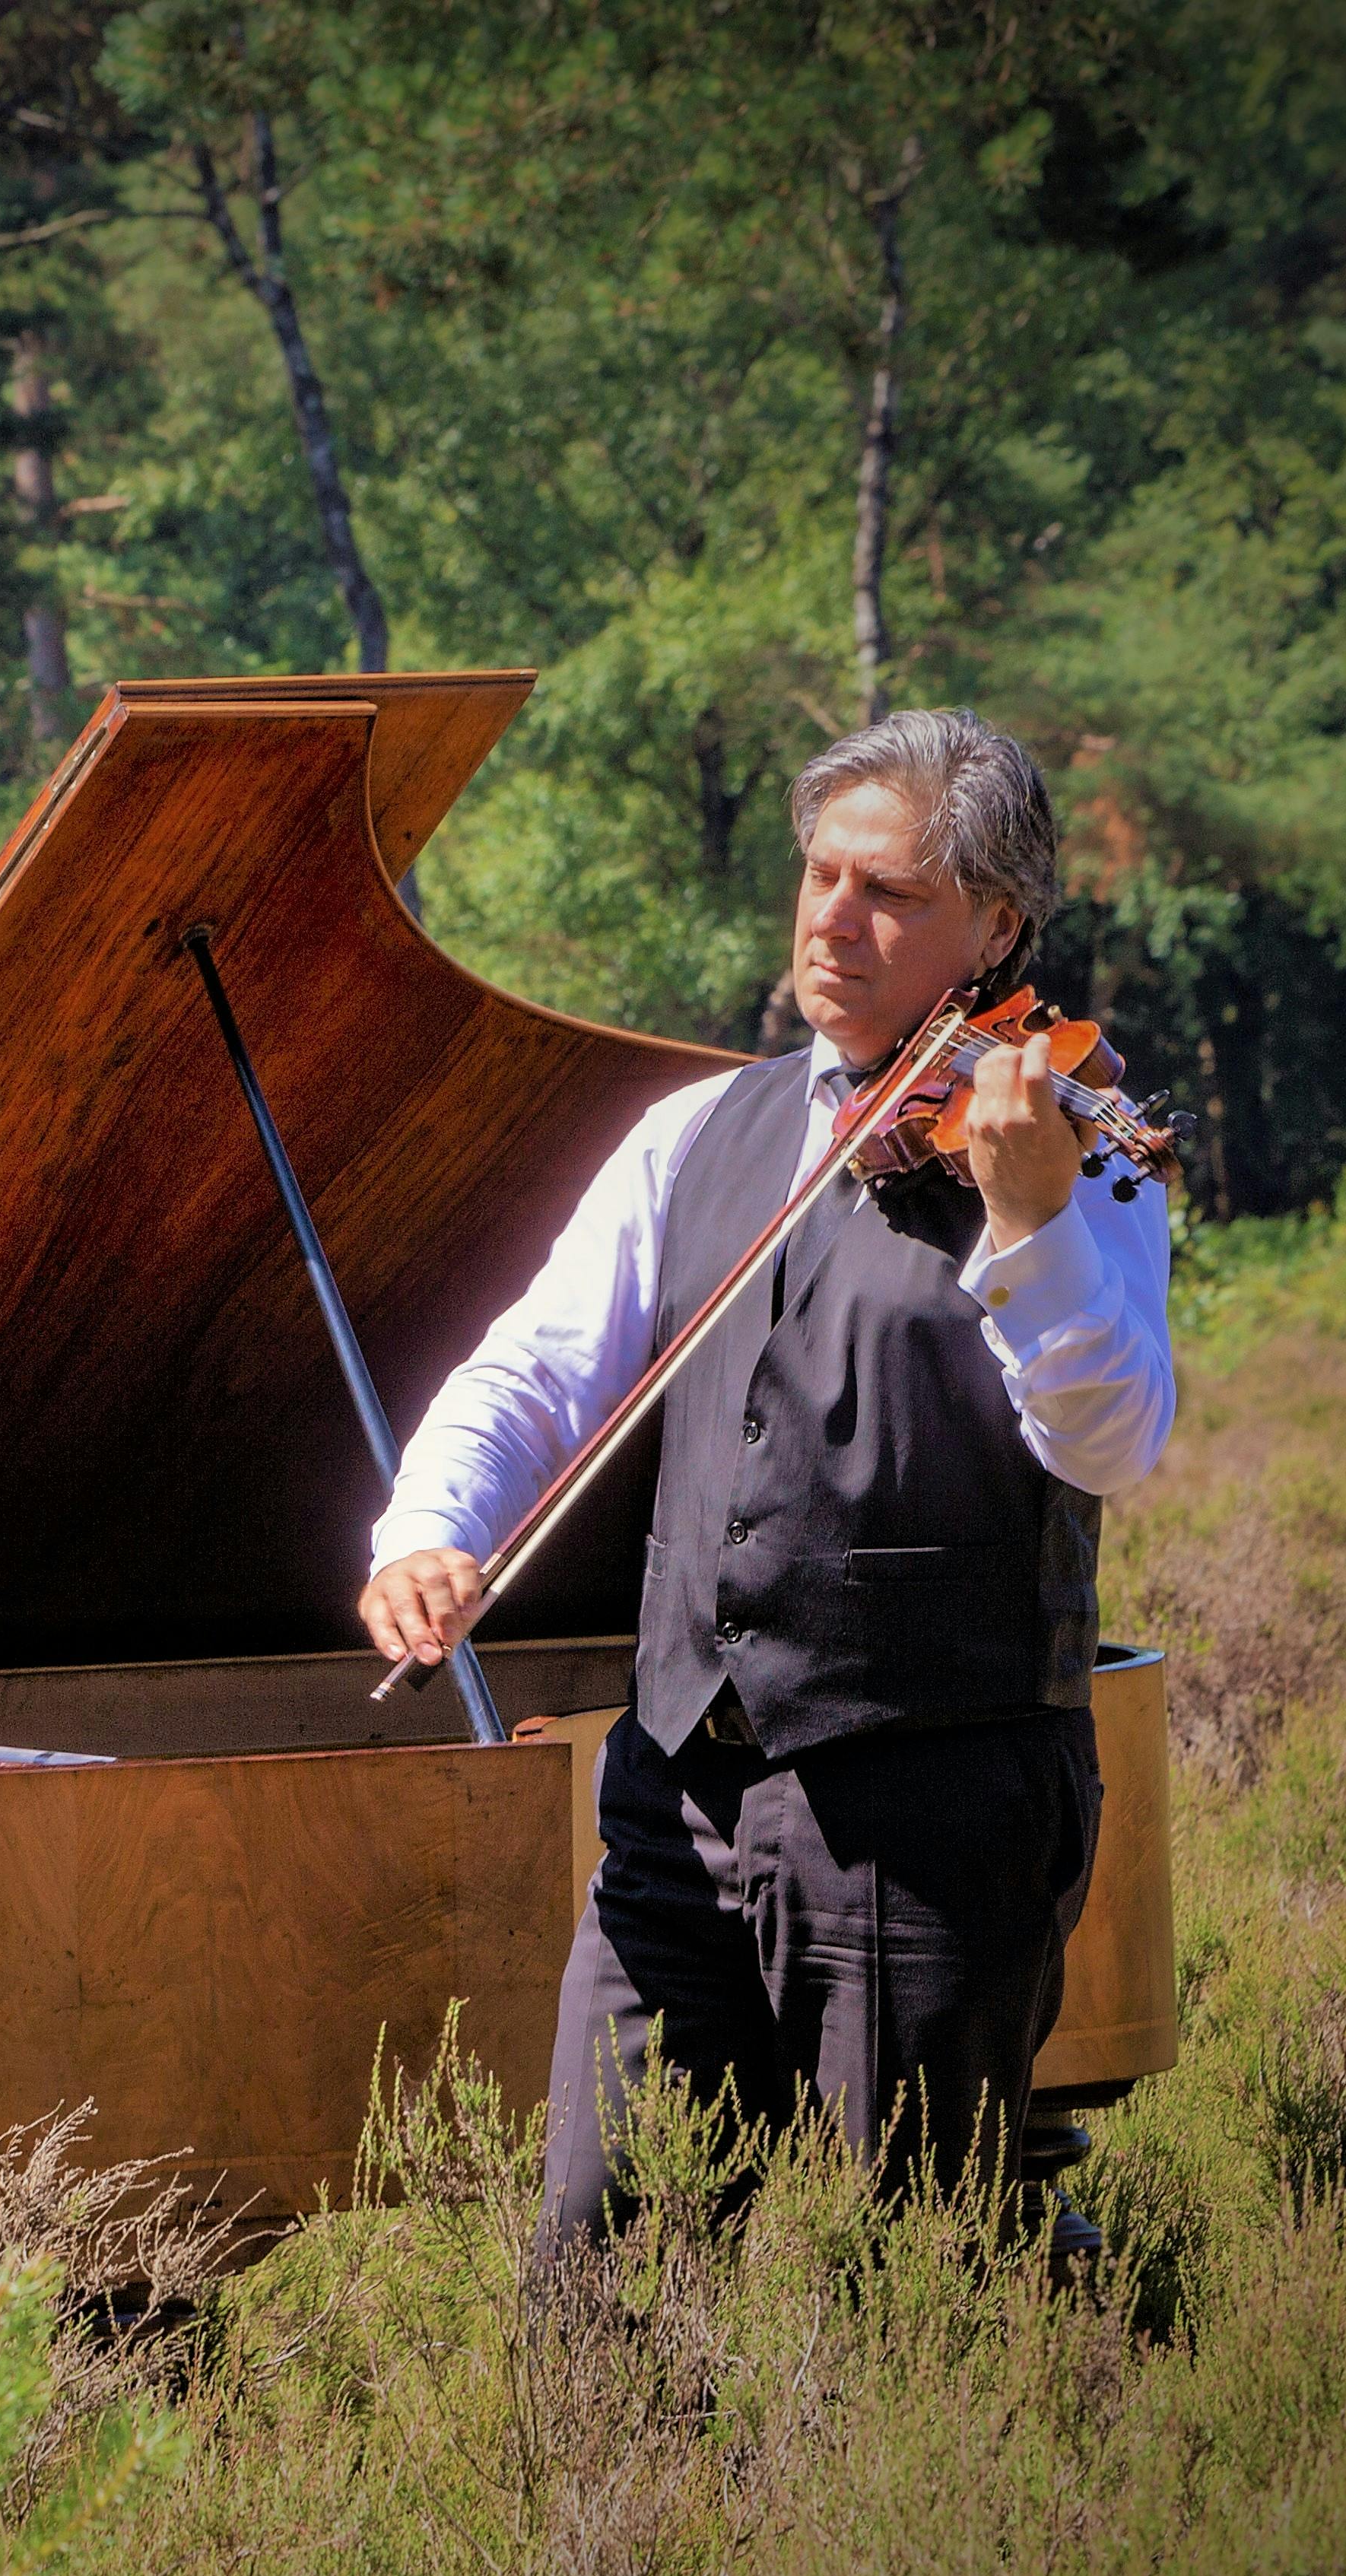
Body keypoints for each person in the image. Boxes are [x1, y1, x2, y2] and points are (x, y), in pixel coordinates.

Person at [358, 710, 1175, 2247]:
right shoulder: (695, 1134)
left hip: (932, 1807)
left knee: (915, 2268)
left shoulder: (1079, 1151)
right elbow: (533, 1370)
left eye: (891, 893)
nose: (833, 922)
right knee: (599, 2265)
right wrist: (431, 1530)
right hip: (677, 1791)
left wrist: (1034, 1226)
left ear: (1000, 926)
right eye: (820, 877)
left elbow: (1112, 1440)